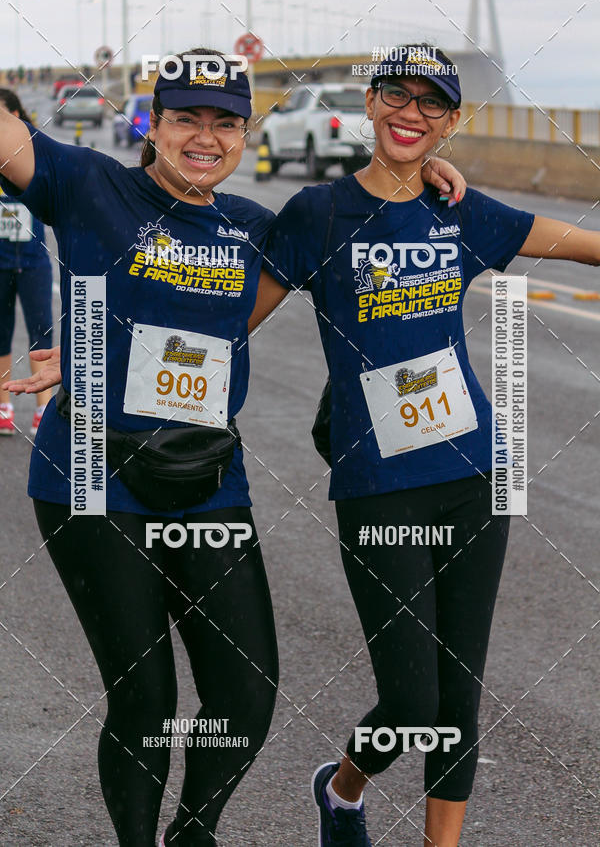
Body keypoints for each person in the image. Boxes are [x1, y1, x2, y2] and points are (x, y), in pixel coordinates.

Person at [1, 47, 465, 845]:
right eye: (185, 118)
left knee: (245, 697)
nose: (205, 137)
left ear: (245, 133)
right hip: (90, 476)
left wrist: (426, 164)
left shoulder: (254, 226)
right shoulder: (85, 183)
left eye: (224, 122)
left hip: (208, 478)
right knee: (145, 700)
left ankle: (195, 832)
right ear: (153, 124)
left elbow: (360, 218)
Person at [248, 45, 600, 847]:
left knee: (458, 696)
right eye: (396, 97)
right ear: (370, 105)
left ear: (450, 120)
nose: (412, 114)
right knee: (410, 703)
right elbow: (233, 327)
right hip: (379, 484)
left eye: (431, 104)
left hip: (475, 474)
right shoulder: (319, 215)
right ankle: (341, 792)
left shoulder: (463, 213)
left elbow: (584, 244)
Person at [0, 88, 53, 436]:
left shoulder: (34, 156)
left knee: (42, 336)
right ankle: (4, 406)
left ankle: (43, 410)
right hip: (0, 264)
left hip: (33, 262)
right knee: (0, 335)